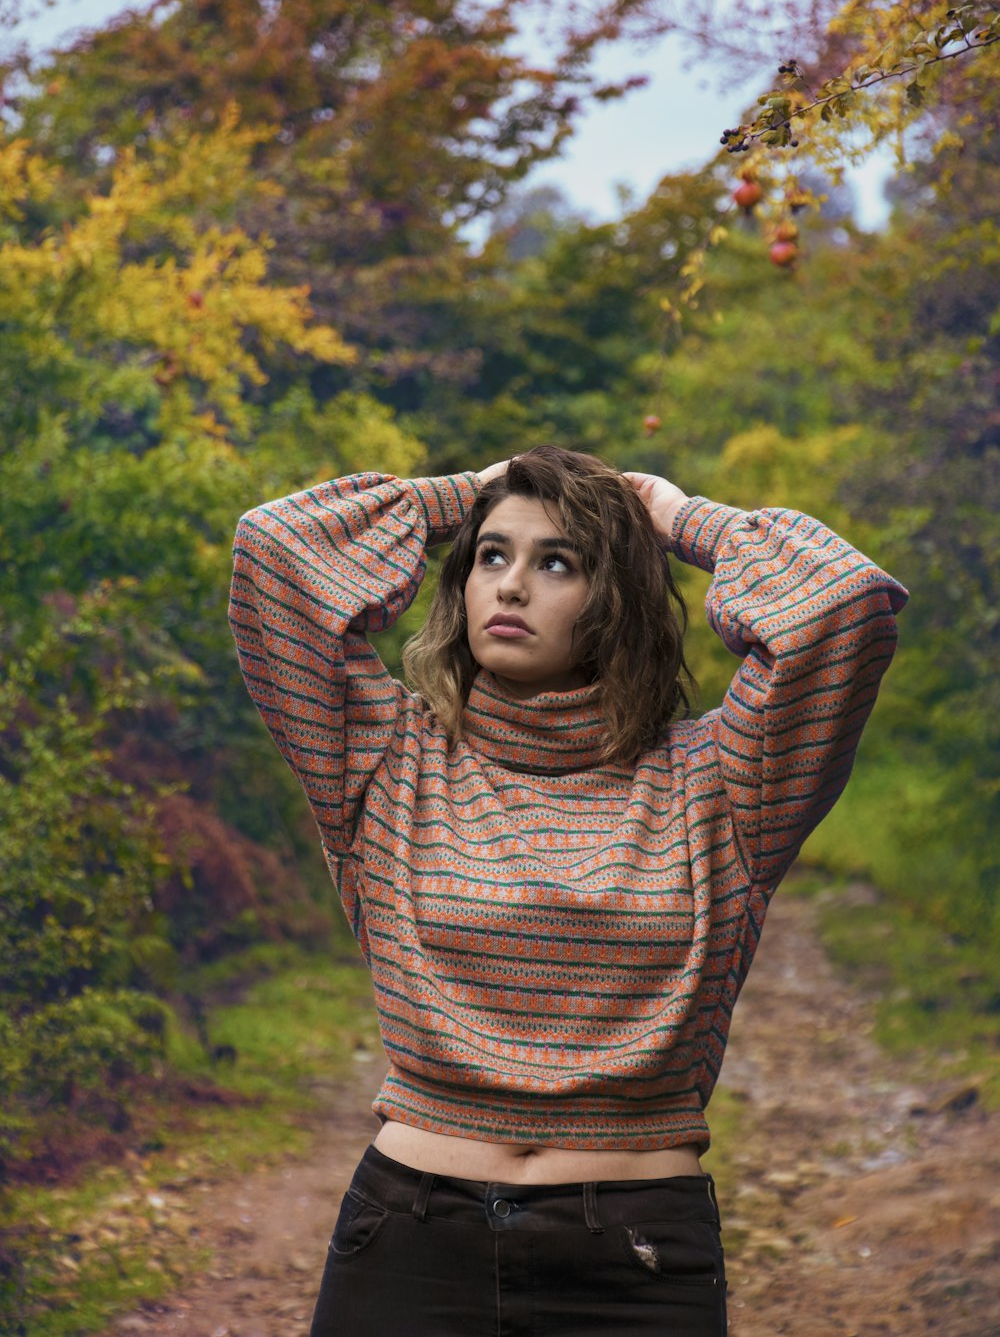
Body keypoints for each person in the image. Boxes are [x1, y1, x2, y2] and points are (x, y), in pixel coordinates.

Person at [228, 446, 907, 1336]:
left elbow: (843, 606)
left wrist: (672, 514)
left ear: (618, 595)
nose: (509, 587)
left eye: (559, 562)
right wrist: (464, 496)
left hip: (635, 1262)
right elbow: (275, 552)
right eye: (491, 556)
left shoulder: (723, 782)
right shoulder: (386, 758)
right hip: (410, 1243)